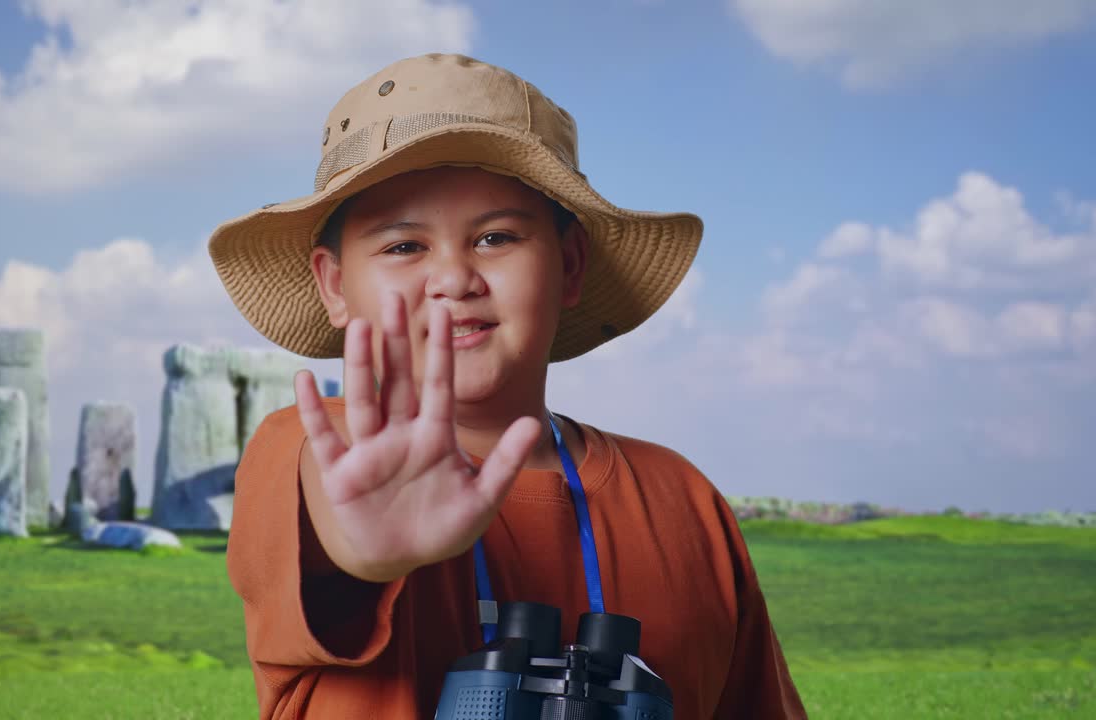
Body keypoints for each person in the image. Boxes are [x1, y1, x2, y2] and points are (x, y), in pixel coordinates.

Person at [209, 53, 807, 719]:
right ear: (332, 284)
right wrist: (361, 556)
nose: (453, 278)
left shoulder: (685, 500)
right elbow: (329, 507)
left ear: (570, 264)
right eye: (403, 247)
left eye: (496, 237)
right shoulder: (313, 449)